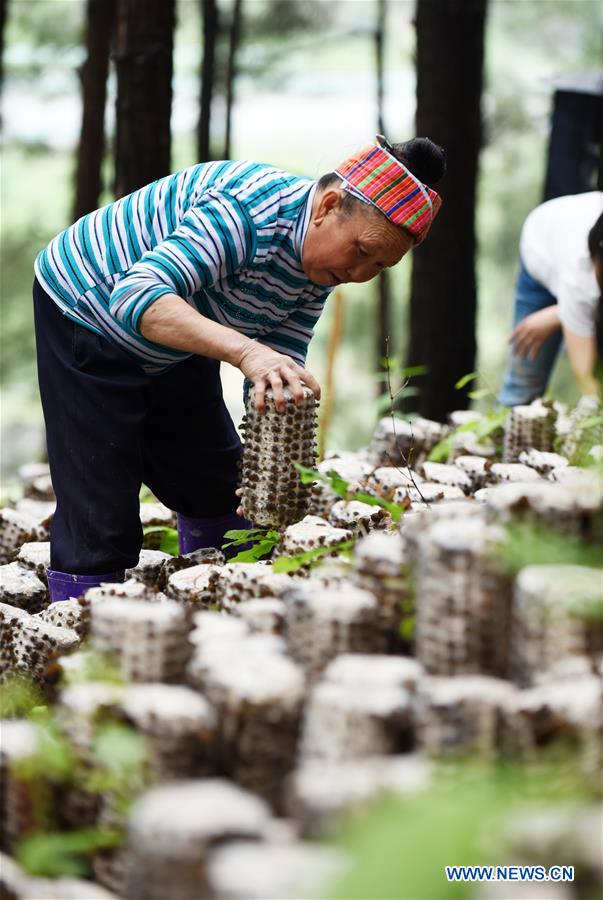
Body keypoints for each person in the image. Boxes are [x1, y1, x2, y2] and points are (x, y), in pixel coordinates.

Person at [33, 134, 445, 602]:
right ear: (328, 205)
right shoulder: (247, 210)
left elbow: (280, 346)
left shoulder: (323, 264)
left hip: (184, 330)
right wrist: (248, 354)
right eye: (361, 251)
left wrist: (282, 403)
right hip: (89, 310)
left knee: (218, 484)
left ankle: (219, 598)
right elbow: (137, 297)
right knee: (100, 505)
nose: (360, 273)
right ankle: (81, 629)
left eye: (380, 265)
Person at [498, 191, 603, 406]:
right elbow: (586, 376)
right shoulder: (581, 277)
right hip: (542, 248)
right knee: (524, 383)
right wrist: (566, 311)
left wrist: (558, 315)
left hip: (580, 289)